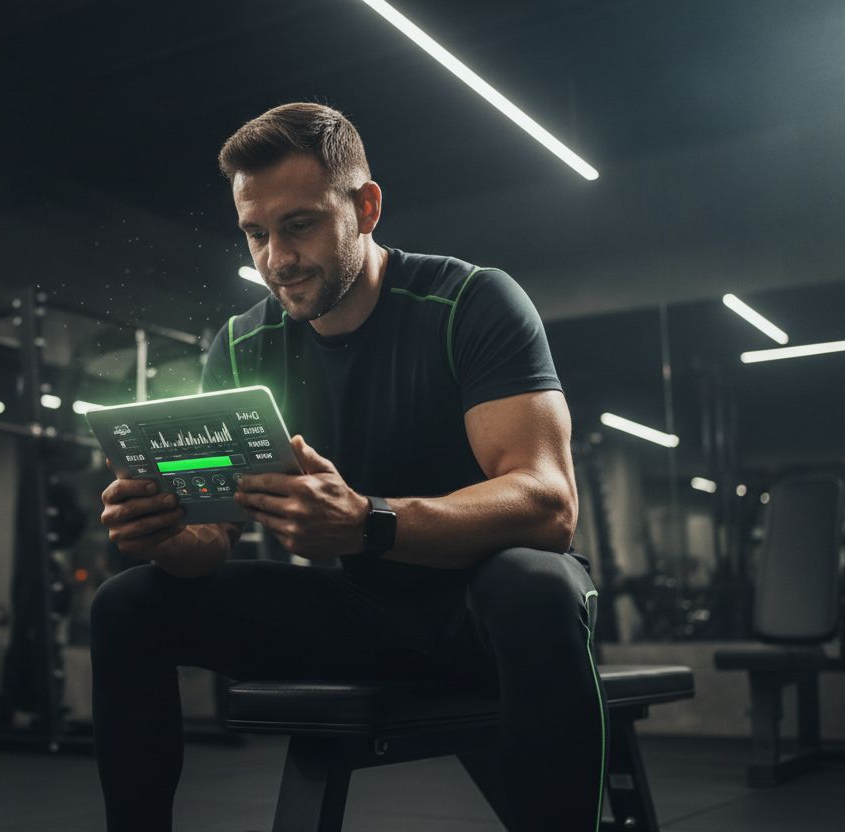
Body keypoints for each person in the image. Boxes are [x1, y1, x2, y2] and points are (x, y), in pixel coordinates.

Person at [91, 102, 606, 832]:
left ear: (364, 208)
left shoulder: (470, 304)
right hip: (365, 616)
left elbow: (548, 506)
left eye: (298, 225)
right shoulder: (242, 347)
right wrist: (165, 533)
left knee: (530, 581)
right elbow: (211, 542)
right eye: (255, 234)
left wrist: (369, 522)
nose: (276, 259)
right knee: (127, 605)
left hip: (489, 620)